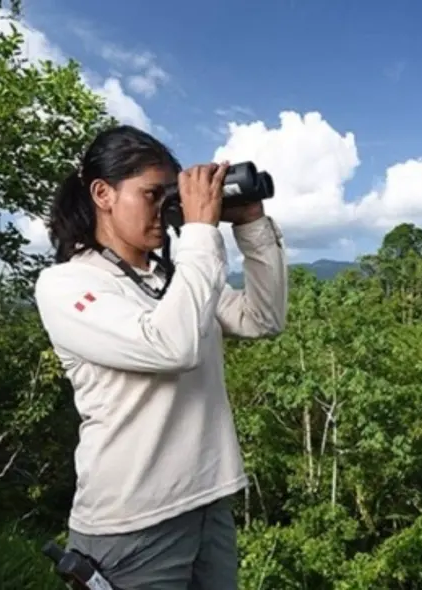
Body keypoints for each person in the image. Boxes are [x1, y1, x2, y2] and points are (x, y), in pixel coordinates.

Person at [33, 124, 288, 589]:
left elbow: (261, 318)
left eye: (171, 196)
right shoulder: (67, 284)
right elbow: (171, 346)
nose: (164, 209)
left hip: (207, 503)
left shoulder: (172, 278)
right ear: (103, 194)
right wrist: (199, 230)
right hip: (132, 524)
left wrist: (250, 222)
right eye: (153, 194)